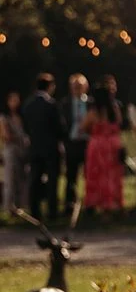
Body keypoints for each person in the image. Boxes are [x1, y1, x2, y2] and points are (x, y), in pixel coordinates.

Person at [22, 72, 65, 223]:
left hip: (34, 147)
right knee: (52, 180)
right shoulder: (51, 105)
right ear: (50, 86)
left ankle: (35, 211)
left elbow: (26, 126)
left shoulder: (28, 104)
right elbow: (59, 128)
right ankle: (52, 211)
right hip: (51, 148)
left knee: (35, 179)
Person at [83, 84, 125, 213]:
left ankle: (95, 201)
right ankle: (112, 201)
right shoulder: (114, 109)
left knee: (96, 173)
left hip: (97, 145)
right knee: (112, 174)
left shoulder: (94, 112)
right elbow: (119, 123)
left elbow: (84, 126)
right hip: (112, 144)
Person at [60, 73, 90, 213]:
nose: (77, 89)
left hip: (87, 143)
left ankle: (89, 202)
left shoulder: (90, 104)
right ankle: (69, 204)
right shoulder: (65, 104)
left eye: (80, 86)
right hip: (71, 143)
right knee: (71, 175)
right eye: (74, 87)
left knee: (89, 174)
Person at [1, 90, 29, 214]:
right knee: (10, 180)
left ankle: (22, 206)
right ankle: (8, 207)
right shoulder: (4, 118)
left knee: (22, 179)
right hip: (11, 150)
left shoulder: (22, 117)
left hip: (22, 150)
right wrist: (21, 138)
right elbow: (6, 136)